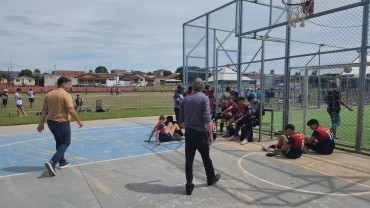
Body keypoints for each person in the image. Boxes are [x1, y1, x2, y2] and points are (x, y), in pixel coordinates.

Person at [180, 78, 220, 195]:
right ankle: (211, 178)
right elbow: (207, 119)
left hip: (189, 133)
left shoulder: (185, 100)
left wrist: (188, 128)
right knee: (206, 158)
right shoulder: (204, 98)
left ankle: (189, 184)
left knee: (189, 160)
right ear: (202, 88)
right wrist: (210, 134)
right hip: (201, 133)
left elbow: (182, 121)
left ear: (192, 87)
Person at [37, 77, 83, 176]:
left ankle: (62, 161)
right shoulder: (66, 95)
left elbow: (44, 109)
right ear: (63, 84)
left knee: (59, 142)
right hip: (62, 122)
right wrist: (78, 121)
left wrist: (41, 123)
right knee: (66, 142)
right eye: (69, 84)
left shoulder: (49, 94)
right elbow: (71, 110)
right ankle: (53, 161)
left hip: (51, 122)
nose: (69, 87)